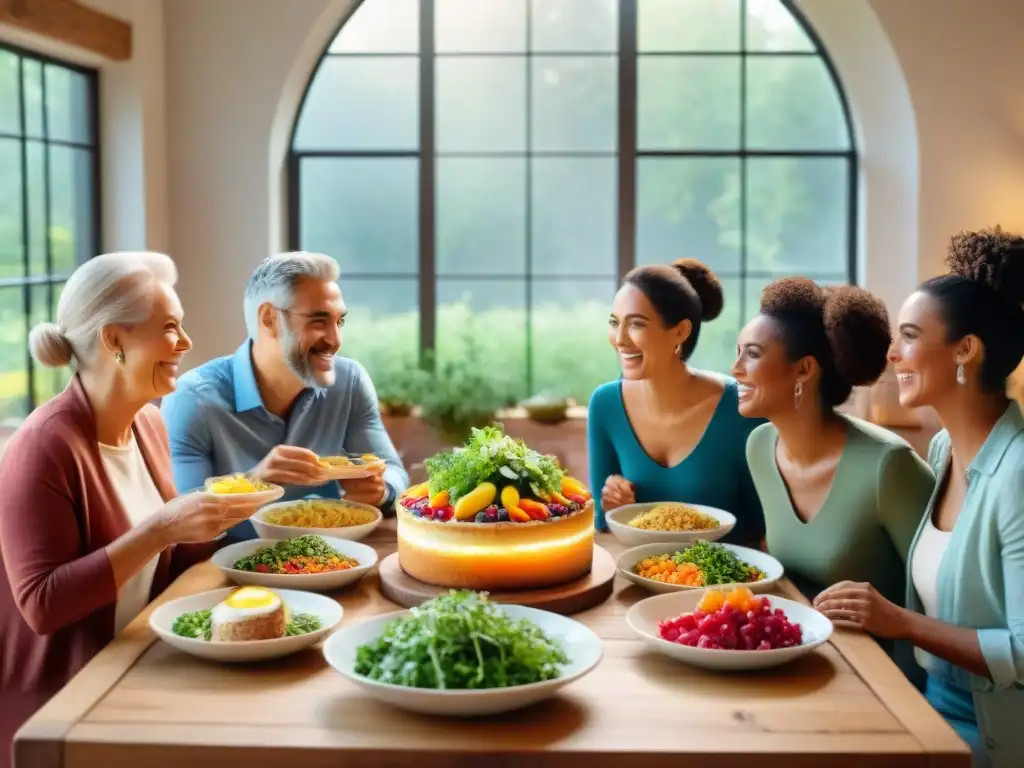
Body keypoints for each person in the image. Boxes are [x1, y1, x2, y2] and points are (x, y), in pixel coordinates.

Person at [0, 253, 261, 768]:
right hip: (63, 708)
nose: (185, 342)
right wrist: (162, 529)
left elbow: (174, 561)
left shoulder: (148, 424)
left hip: (136, 668)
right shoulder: (43, 447)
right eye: (169, 328)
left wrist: (236, 510)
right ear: (114, 341)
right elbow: (43, 603)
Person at [815, 228, 1024, 767]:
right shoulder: (940, 450)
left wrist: (900, 622)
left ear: (965, 351)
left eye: (909, 336)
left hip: (996, 730)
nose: (891, 354)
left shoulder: (1018, 473)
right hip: (925, 703)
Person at [733, 277, 934, 686]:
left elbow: (943, 603)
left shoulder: (888, 466)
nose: (735, 369)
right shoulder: (759, 446)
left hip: (890, 679)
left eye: (751, 355)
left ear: (804, 370)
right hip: (802, 659)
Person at [161, 252, 408, 542]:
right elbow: (181, 523)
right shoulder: (193, 399)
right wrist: (255, 482)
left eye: (339, 322)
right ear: (269, 319)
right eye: (319, 322)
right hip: (234, 573)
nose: (335, 340)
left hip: (336, 558)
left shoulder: (350, 382)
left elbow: (394, 473)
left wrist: (381, 491)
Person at [587, 259, 765, 544]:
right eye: (614, 322)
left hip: (724, 580)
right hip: (641, 573)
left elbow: (760, 529)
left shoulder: (740, 407)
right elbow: (603, 524)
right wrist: (616, 505)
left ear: (681, 331)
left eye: (636, 324)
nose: (620, 339)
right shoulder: (605, 404)